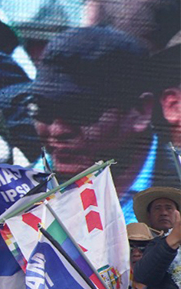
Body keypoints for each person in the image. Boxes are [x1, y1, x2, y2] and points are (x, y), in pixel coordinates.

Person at [29, 27, 176, 223]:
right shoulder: (15, 194)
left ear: (141, 111)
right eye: (43, 110)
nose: (58, 130)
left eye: (79, 112)